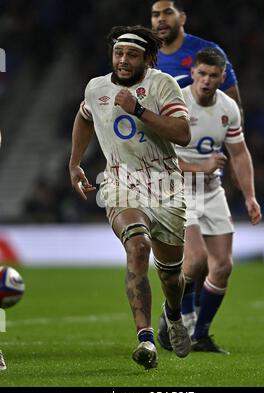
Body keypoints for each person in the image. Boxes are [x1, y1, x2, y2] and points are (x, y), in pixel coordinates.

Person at [69, 25, 192, 369]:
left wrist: (138, 110)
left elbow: (182, 134)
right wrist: (75, 162)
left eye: (132, 55)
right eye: (118, 53)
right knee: (137, 247)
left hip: (166, 186)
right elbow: (84, 117)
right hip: (121, 182)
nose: (123, 60)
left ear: (148, 59)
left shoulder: (162, 85)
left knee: (171, 275)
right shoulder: (97, 87)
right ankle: (146, 340)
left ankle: (174, 314)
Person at [157, 48, 262, 353]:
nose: (206, 80)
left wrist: (250, 196)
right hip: (177, 187)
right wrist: (198, 167)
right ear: (192, 73)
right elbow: (160, 156)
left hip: (211, 189)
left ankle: (199, 333)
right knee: (195, 260)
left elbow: (239, 153)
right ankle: (174, 315)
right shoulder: (175, 102)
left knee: (223, 266)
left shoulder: (228, 108)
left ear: (221, 77)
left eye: (213, 75)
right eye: (201, 73)